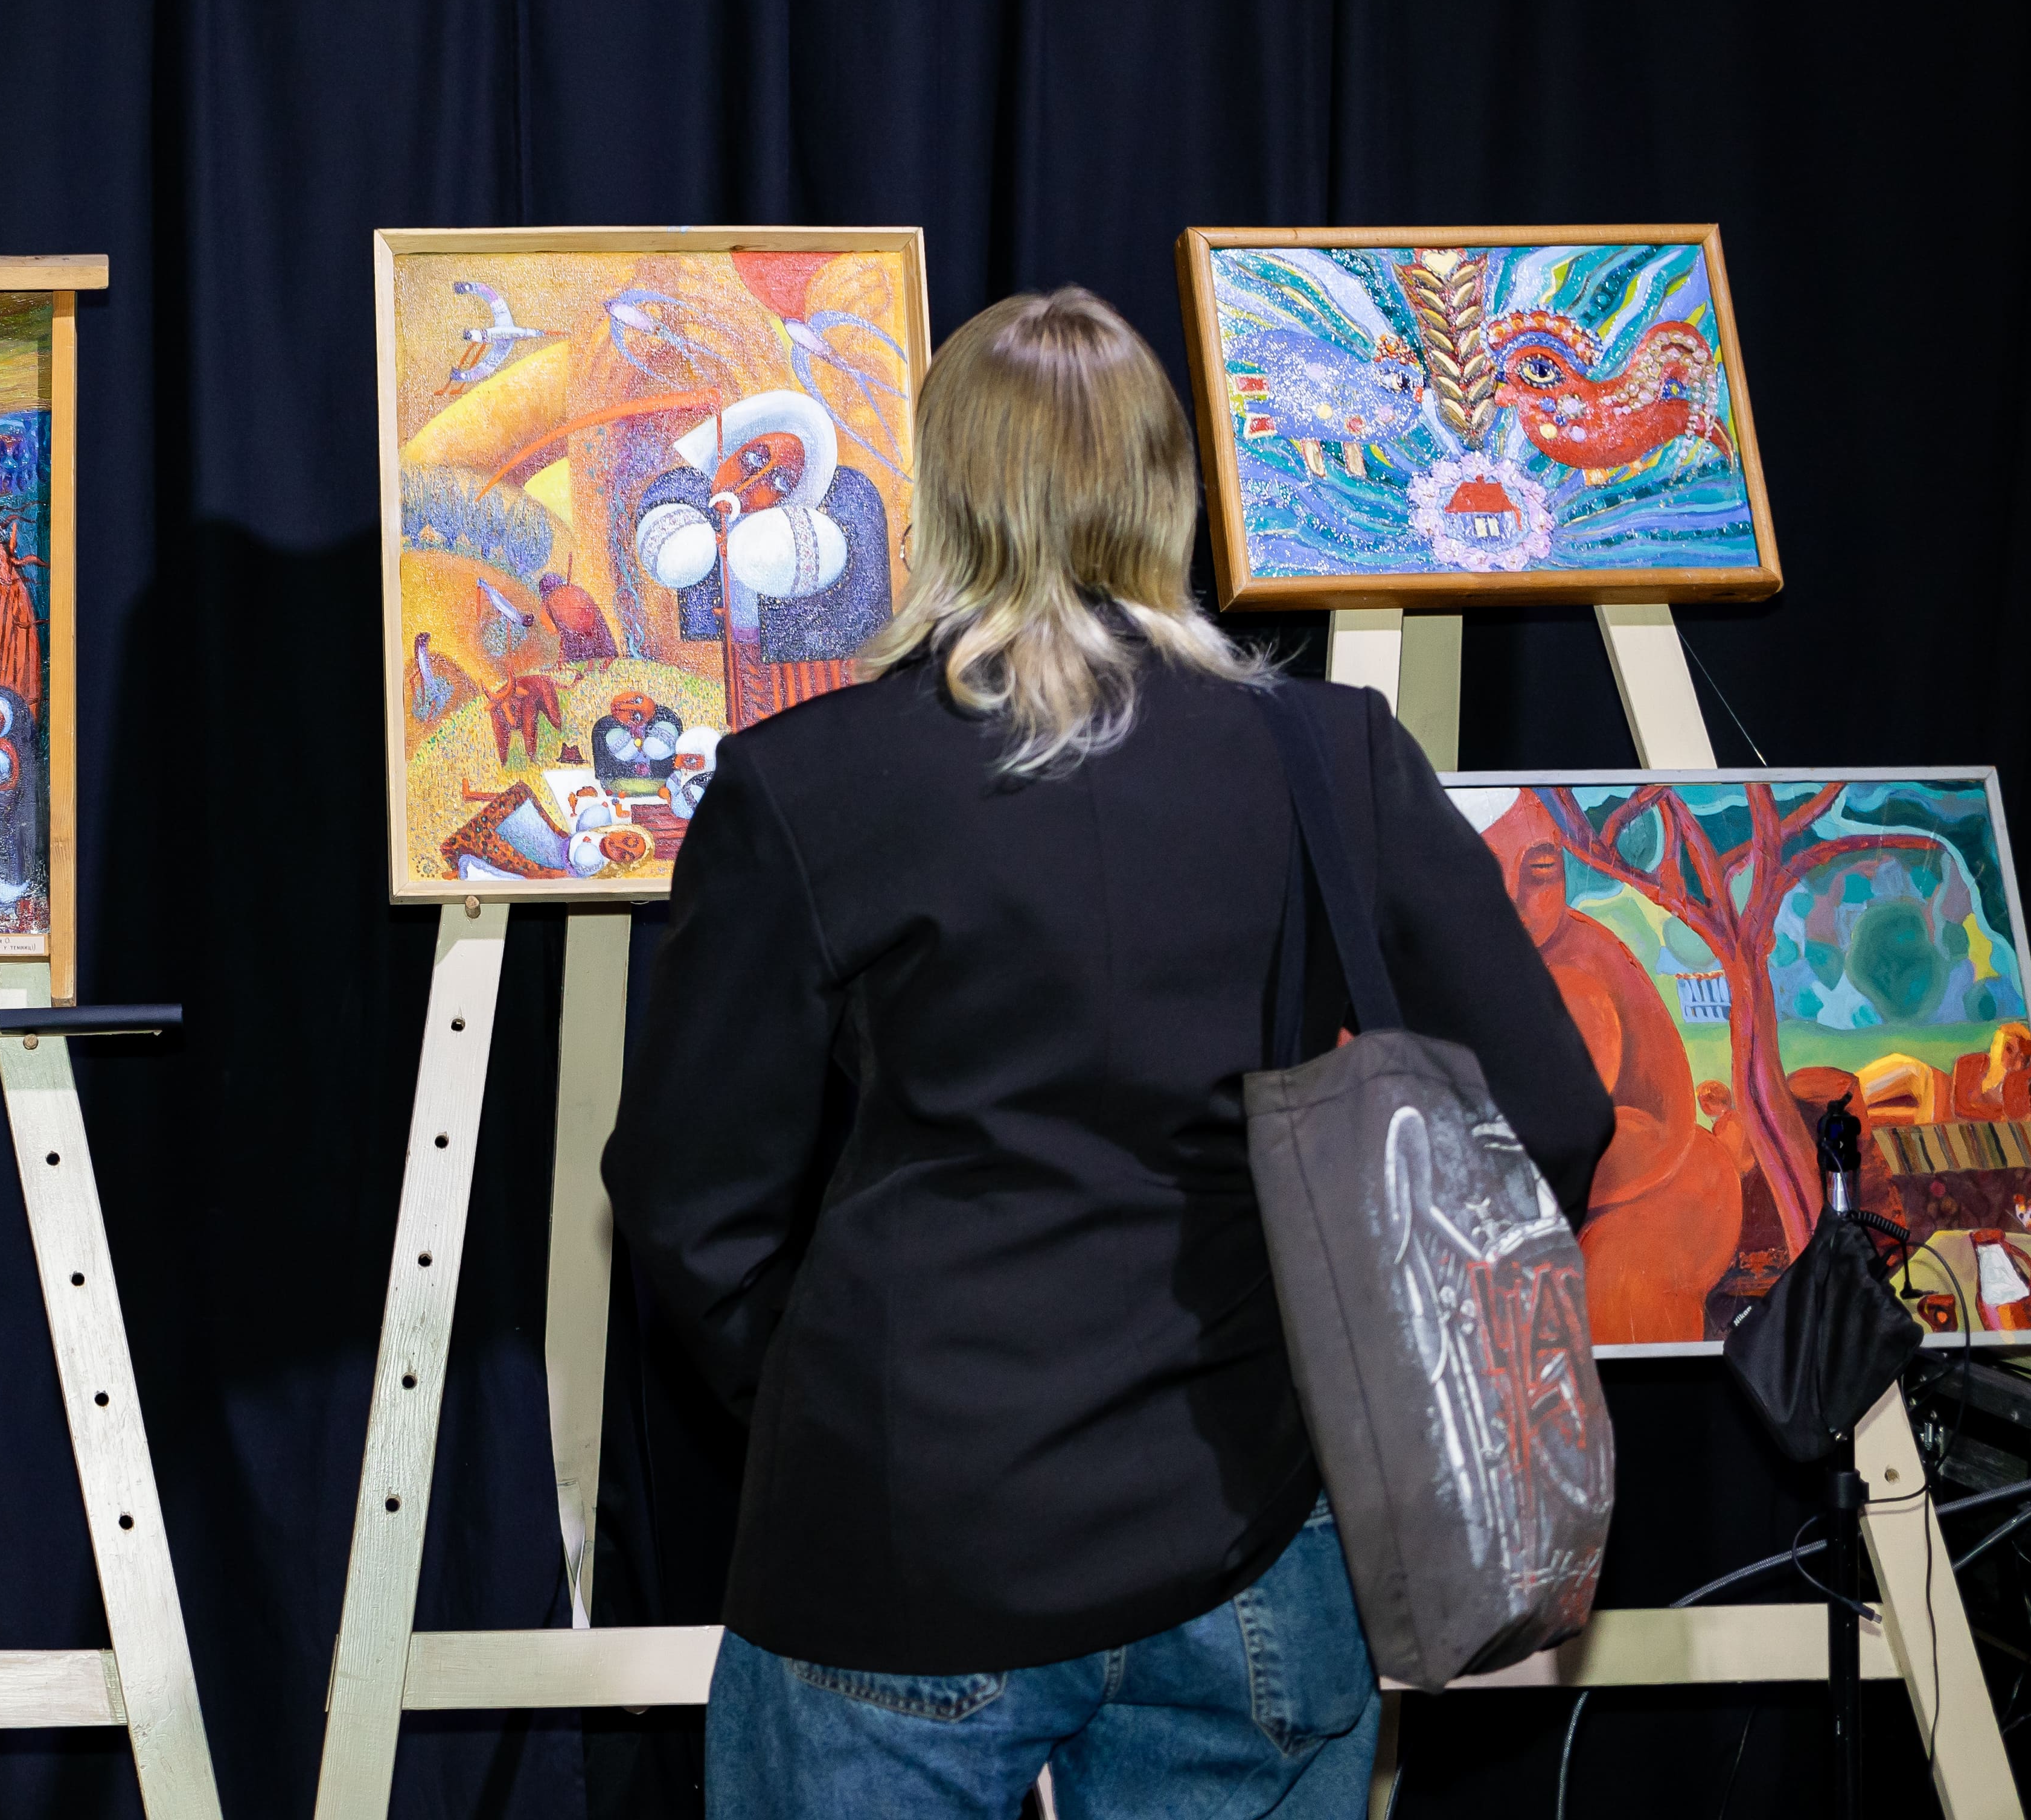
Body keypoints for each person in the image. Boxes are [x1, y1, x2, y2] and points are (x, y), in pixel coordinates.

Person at [603, 287, 1610, 1819]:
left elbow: (691, 1200)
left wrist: (831, 1402)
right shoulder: (1330, 754)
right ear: (1168, 490)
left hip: (904, 1526)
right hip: (1253, 1530)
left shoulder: (809, 780)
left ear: (943, 491)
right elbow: (1555, 1116)